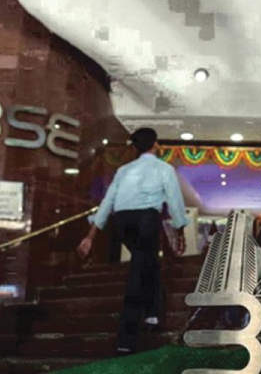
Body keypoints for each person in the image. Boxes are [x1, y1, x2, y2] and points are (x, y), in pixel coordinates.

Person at [76, 127, 188, 355]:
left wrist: (90, 236)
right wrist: (180, 231)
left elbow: (107, 202)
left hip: (121, 222)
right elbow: (175, 201)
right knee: (139, 270)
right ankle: (126, 337)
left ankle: (153, 315)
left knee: (147, 263)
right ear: (155, 145)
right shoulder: (164, 168)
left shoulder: (123, 170)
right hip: (147, 219)